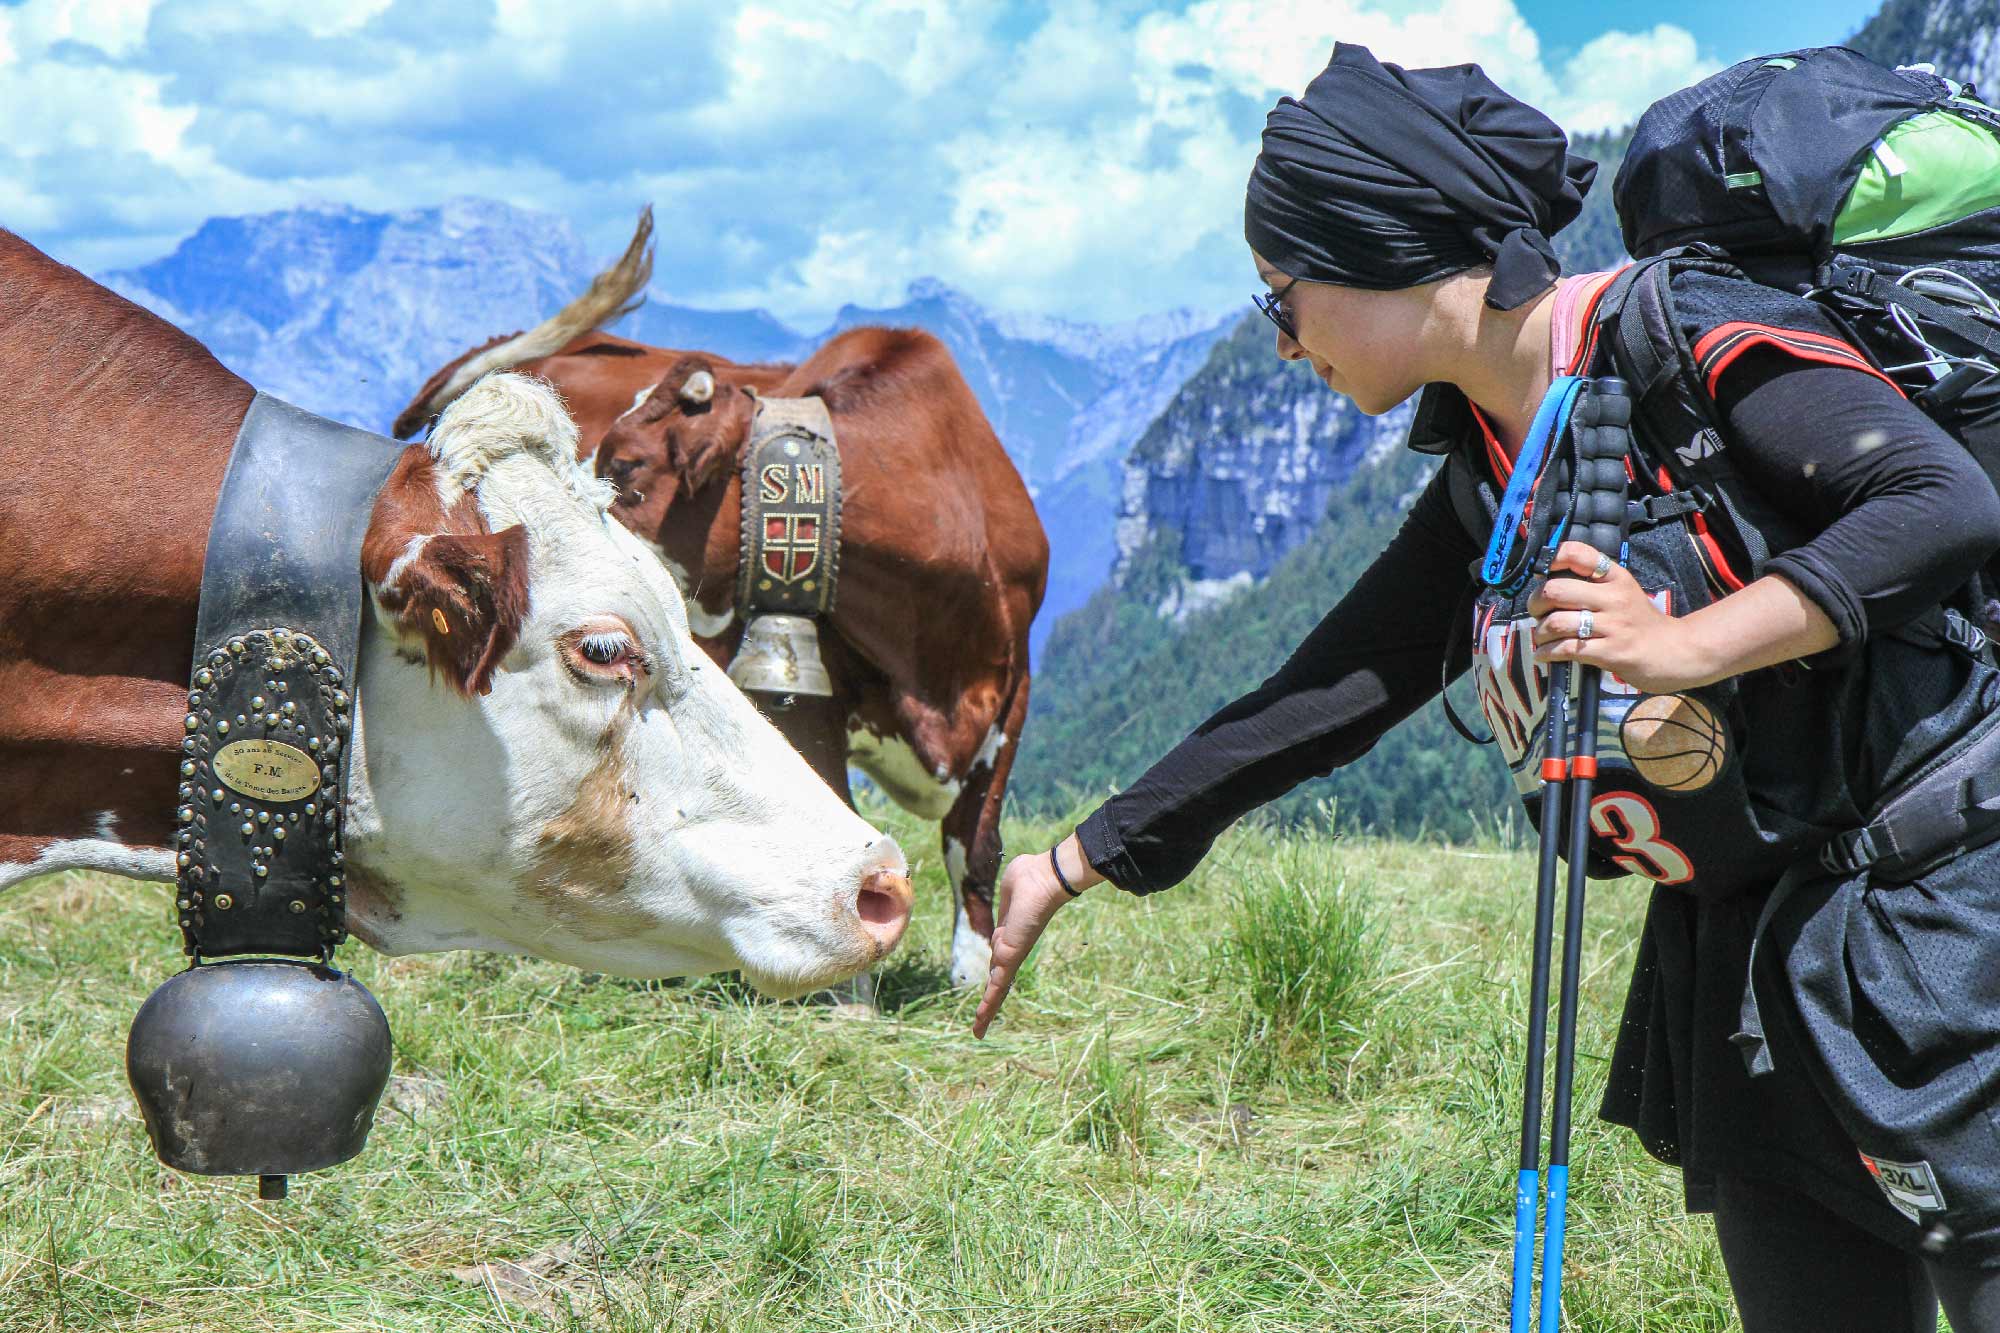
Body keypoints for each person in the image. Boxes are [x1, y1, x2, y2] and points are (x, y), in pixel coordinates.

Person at [970, 42, 2000, 1333]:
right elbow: (1339, 684)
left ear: (1376, 249)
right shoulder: (1493, 464)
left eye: (1279, 300)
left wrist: (1682, 644)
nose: (1283, 345)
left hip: (1940, 934)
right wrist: (1083, 858)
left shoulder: (1683, 323)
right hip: (1747, 963)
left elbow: (1939, 501)